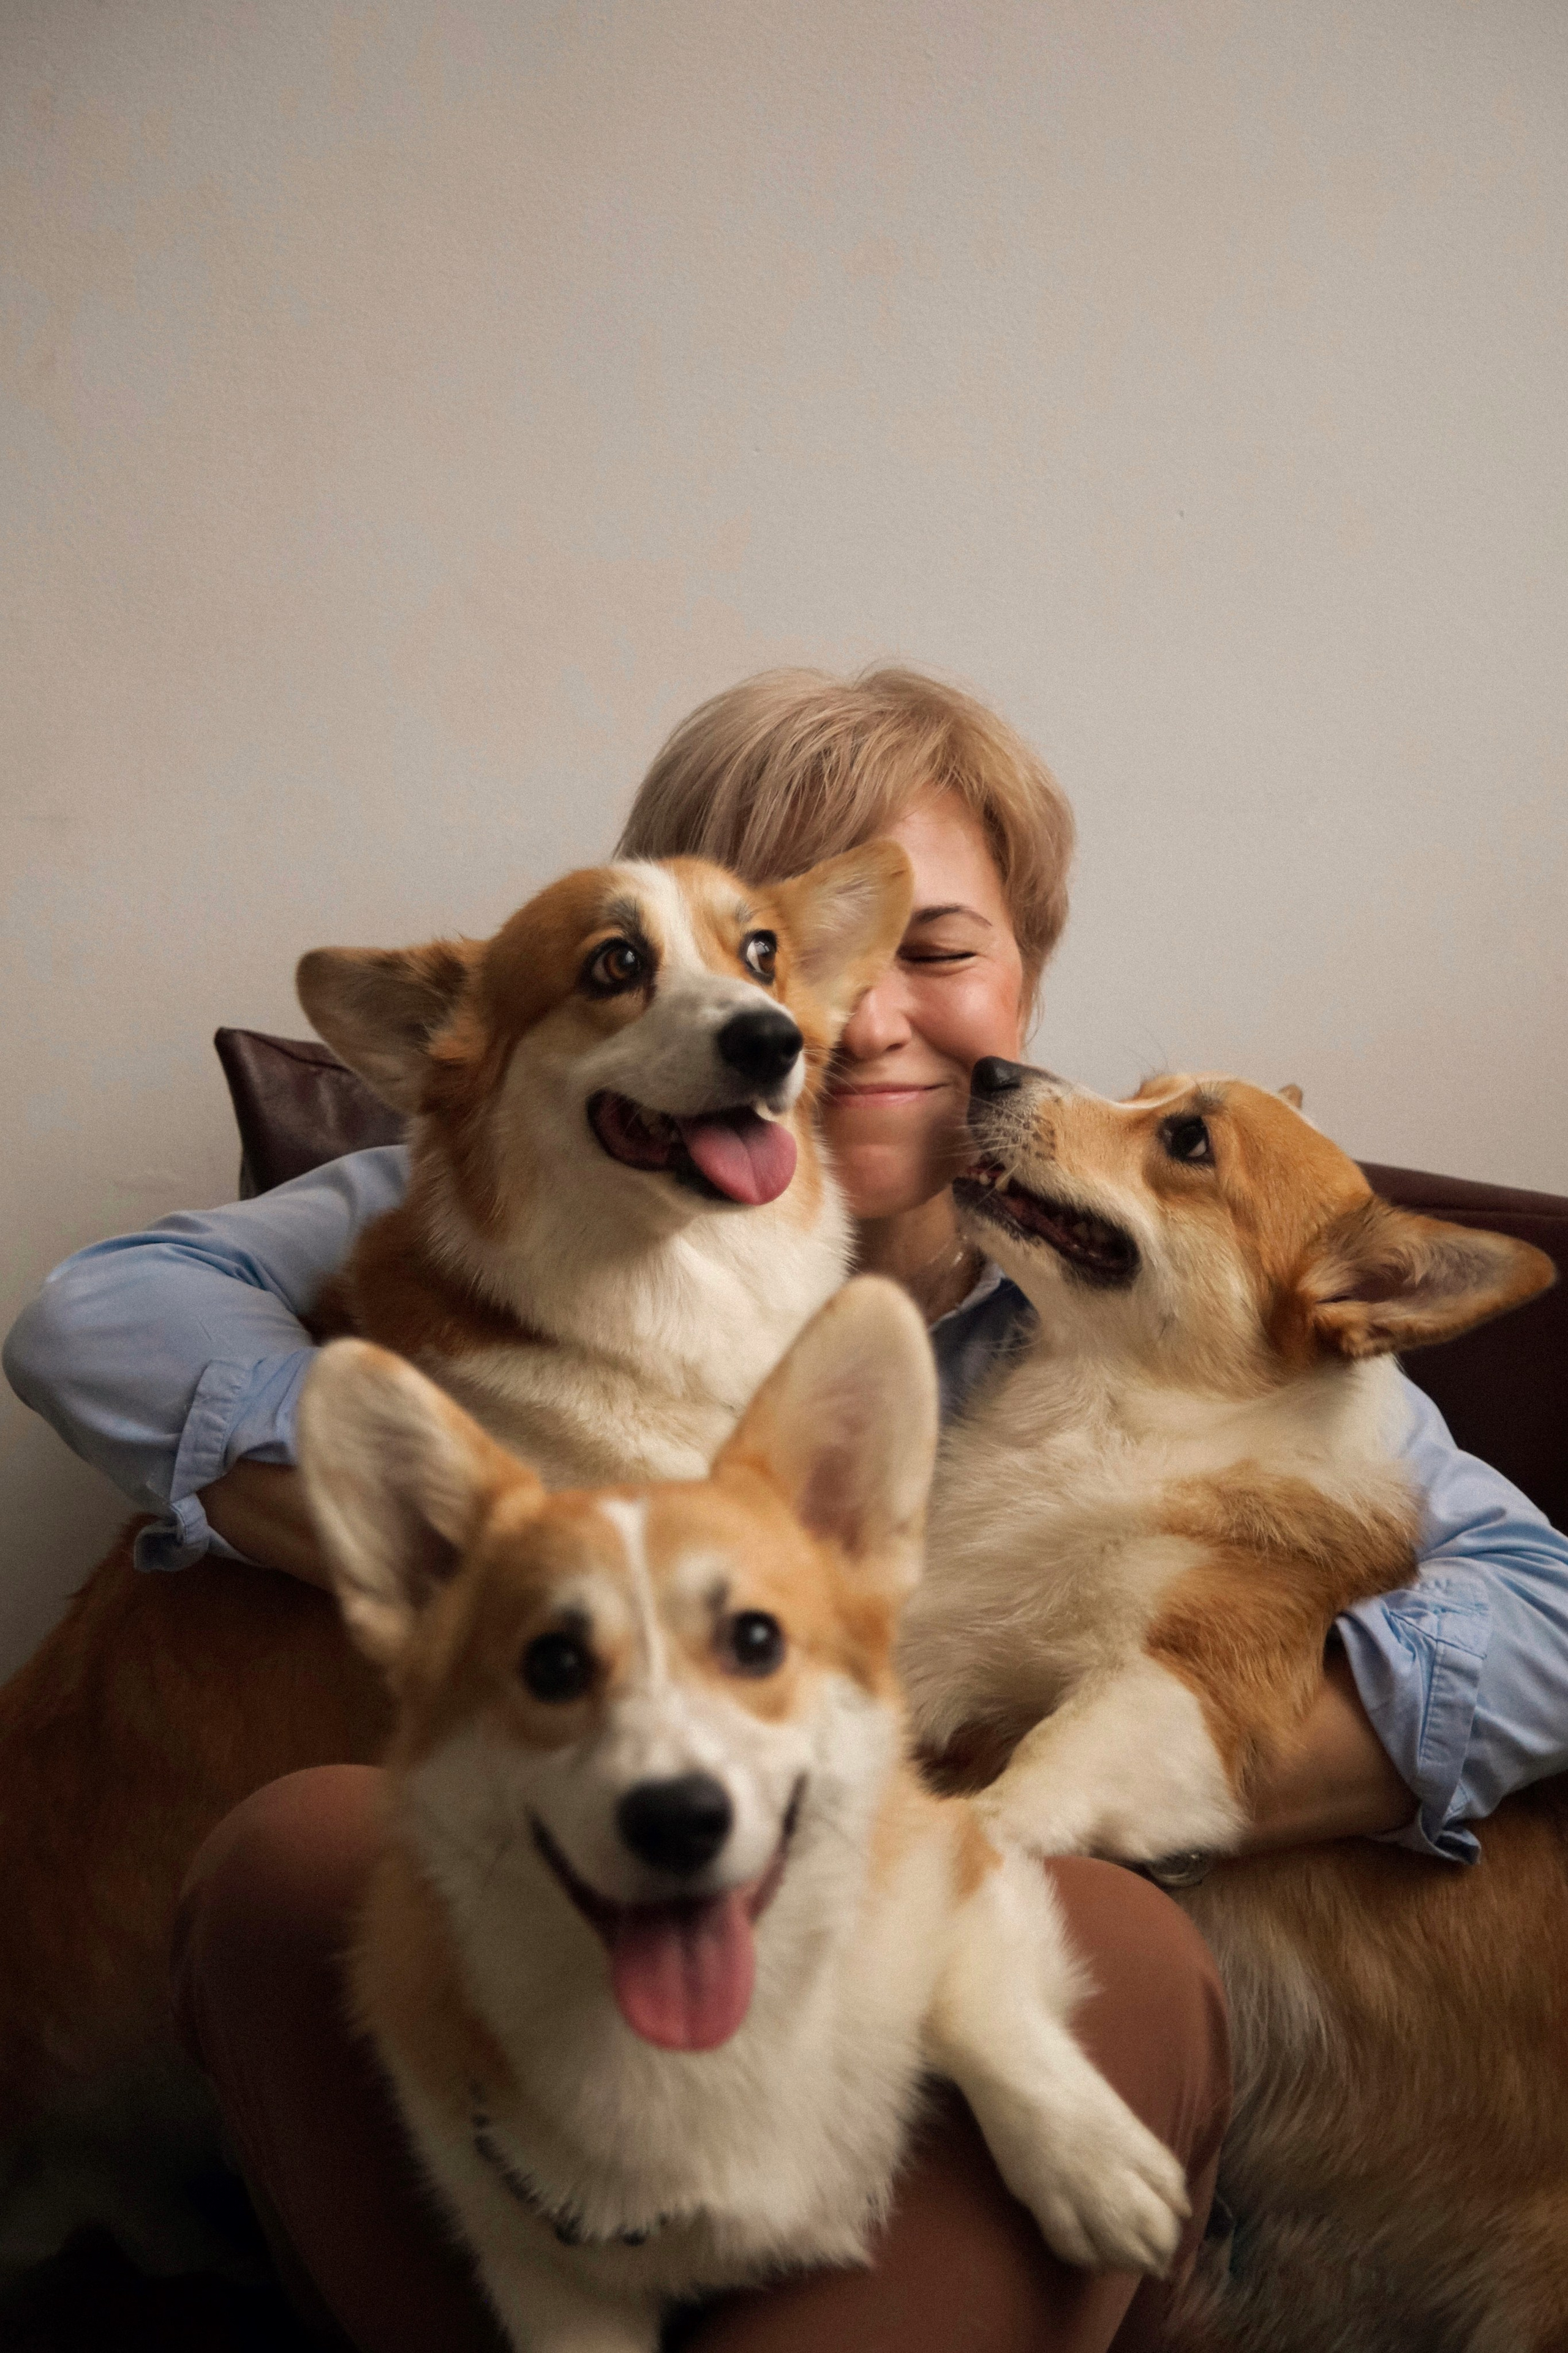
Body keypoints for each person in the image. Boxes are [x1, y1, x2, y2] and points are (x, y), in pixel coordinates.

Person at [7, 668, 1567, 2351]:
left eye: (929, 948)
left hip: (955, 2010)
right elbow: (104, 1311)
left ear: (1030, 970)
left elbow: (1542, 1611)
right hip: (587, 1985)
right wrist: (467, 1536)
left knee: (1071, 1924)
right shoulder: (516, 1165)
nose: (829, 1018)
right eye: (757, 948)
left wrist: (1192, 1748)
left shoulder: (1179, 1331)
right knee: (309, 1849)